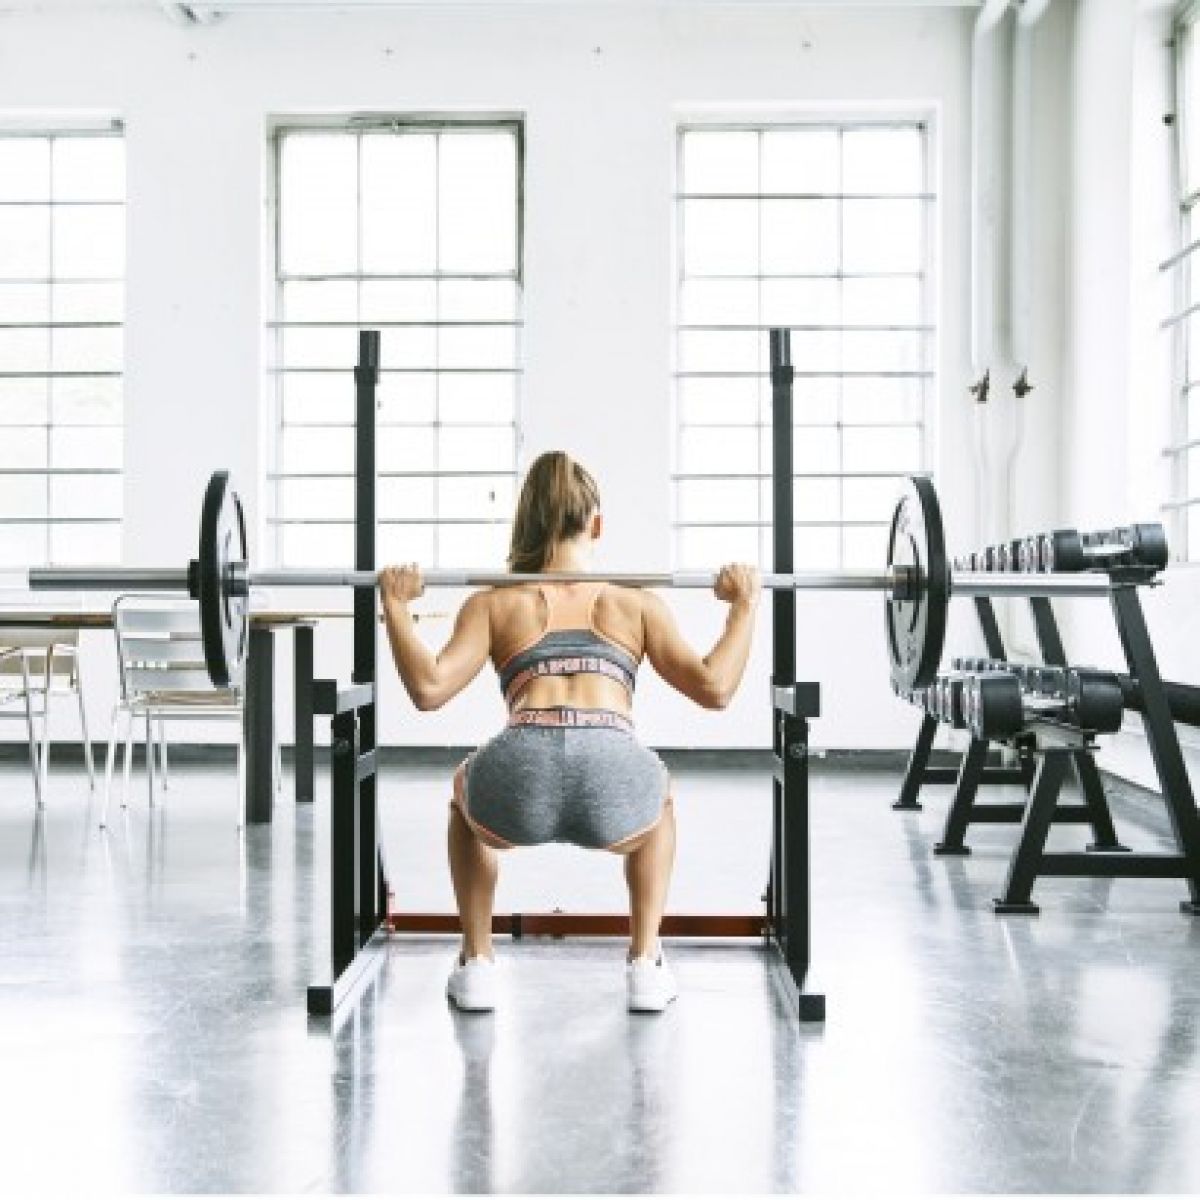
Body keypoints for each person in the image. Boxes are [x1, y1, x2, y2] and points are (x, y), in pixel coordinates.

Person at [379, 451, 760, 1014]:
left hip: (520, 772)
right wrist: (744, 606)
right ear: (597, 525)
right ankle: (644, 963)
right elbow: (716, 688)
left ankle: (478, 962)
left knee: (465, 797)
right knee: (659, 802)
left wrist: (395, 605)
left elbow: (429, 690)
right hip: (613, 771)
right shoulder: (636, 603)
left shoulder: (493, 602)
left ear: (524, 524)